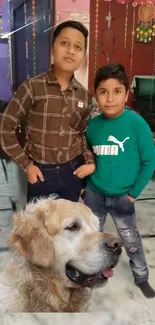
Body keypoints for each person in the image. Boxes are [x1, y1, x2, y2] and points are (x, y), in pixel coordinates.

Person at [76, 63, 155, 298]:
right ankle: (90, 274)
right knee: (90, 239)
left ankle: (141, 276)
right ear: (95, 94)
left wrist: (133, 194)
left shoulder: (137, 124)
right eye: (103, 92)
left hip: (123, 197)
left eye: (117, 91)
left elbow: (149, 162)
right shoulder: (92, 126)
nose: (110, 99)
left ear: (126, 93)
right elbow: (86, 154)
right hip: (94, 194)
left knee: (131, 239)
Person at [0, 20, 95, 203]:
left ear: (83, 56)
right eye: (64, 43)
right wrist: (27, 165)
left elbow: (81, 135)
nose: (70, 51)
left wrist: (89, 161)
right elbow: (5, 127)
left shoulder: (84, 96)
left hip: (72, 172)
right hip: (40, 173)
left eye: (78, 47)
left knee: (68, 228)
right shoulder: (32, 87)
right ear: (53, 48)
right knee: (39, 228)